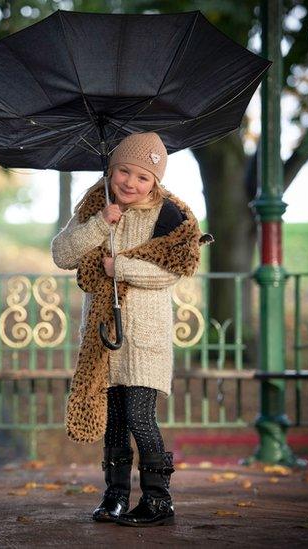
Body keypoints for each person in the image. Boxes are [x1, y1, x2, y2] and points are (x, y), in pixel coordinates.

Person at [51, 132, 203, 527]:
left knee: (139, 415)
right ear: (111, 169)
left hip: (144, 337)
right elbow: (63, 253)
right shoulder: (95, 204)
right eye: (124, 172)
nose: (131, 183)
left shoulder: (171, 216)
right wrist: (101, 225)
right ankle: (115, 495)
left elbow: (174, 270)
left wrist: (123, 268)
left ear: (155, 182)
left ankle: (158, 499)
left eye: (143, 177)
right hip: (105, 335)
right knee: (115, 417)